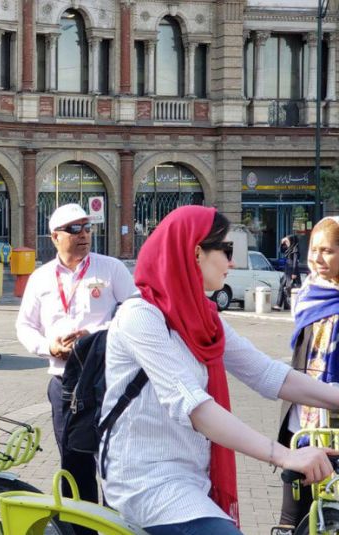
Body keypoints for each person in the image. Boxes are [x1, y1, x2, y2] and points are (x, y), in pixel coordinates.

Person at [100, 205, 339, 535]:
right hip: (146, 480)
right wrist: (285, 456)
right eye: (226, 251)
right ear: (195, 251)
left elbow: (268, 374)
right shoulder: (140, 316)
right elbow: (197, 410)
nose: (234, 263)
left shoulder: (204, 318)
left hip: (192, 475)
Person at [15, 203, 136, 516]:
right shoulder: (41, 278)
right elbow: (24, 325)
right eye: (74, 229)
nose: (83, 234)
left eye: (87, 227)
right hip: (65, 384)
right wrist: (48, 347)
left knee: (115, 462)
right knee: (74, 464)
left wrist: (98, 338)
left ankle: (119, 524)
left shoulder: (111, 269)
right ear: (55, 237)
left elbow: (137, 313)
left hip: (108, 381)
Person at [275, 217, 339, 532]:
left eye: (327, 251)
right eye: (314, 250)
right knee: (291, 519)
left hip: (335, 430)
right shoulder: (309, 295)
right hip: (301, 424)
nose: (316, 259)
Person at [275, 234, 302, 311]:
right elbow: (281, 250)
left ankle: (300, 304)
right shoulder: (289, 249)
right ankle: (279, 305)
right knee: (283, 285)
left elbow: (295, 262)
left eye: (287, 241)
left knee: (296, 287)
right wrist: (282, 243)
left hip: (292, 270)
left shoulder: (295, 249)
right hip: (287, 269)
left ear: (292, 241)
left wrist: (294, 273)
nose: (286, 243)